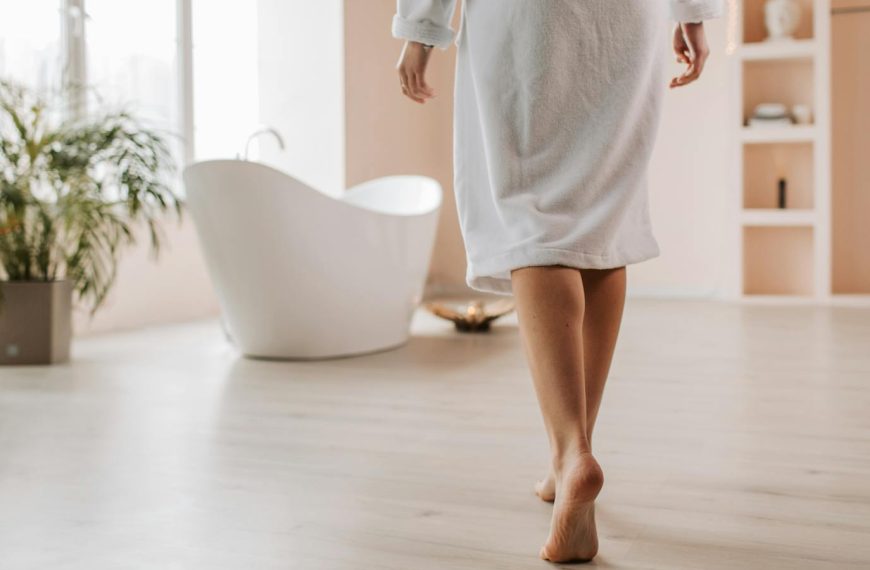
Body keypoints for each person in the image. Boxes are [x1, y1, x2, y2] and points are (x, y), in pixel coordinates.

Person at [392, 0, 723, 563]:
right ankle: (568, 456)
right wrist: (693, 12)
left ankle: (572, 455)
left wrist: (422, 30)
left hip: (526, 19)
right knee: (601, 219)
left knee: (534, 213)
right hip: (629, 19)